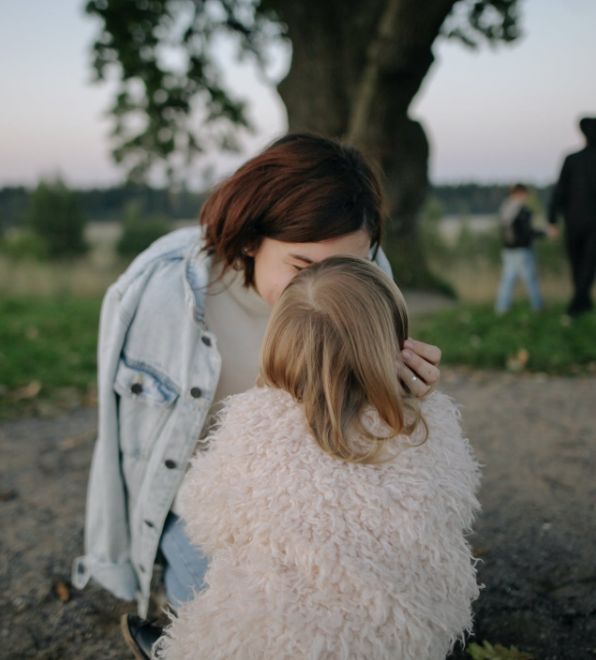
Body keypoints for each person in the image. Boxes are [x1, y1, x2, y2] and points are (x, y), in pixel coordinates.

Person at [69, 134, 445, 658]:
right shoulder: (162, 293)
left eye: (351, 267)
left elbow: (377, 436)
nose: (331, 288)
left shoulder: (373, 278)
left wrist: (407, 394)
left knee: (377, 614)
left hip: (326, 497)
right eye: (301, 266)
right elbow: (124, 445)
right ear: (249, 240)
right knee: (242, 619)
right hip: (211, 503)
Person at [154, 255, 481, 660]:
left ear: (279, 340)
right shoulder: (425, 422)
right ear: (395, 344)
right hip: (405, 638)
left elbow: (208, 521)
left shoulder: (255, 418)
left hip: (275, 644)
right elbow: (456, 510)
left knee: (181, 538)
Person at [548, 116, 596, 316]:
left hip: (574, 218)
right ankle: (581, 301)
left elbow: (559, 190)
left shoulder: (571, 159)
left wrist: (552, 218)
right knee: (590, 261)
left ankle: (579, 302)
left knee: (578, 261)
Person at [495, 183, 545, 315]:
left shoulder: (505, 208)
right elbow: (527, 231)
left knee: (507, 280)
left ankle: (502, 307)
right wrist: (544, 233)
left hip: (508, 249)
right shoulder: (521, 211)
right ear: (521, 193)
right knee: (531, 279)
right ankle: (538, 305)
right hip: (522, 250)